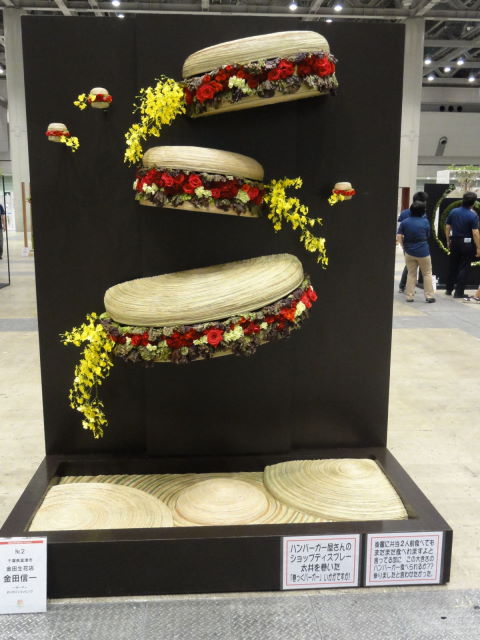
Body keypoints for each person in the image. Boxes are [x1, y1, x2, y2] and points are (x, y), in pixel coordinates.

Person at [396, 201, 435, 303]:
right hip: (423, 251)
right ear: (422, 211)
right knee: (427, 273)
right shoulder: (425, 222)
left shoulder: (405, 222)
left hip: (409, 251)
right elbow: (427, 235)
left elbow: (399, 236)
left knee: (411, 274)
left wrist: (403, 246)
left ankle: (409, 296)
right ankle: (429, 296)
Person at [444, 191, 480, 298]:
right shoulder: (473, 215)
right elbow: (475, 233)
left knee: (453, 265)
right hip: (467, 244)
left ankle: (449, 289)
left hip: (454, 241)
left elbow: (447, 227)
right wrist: (478, 247)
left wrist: (448, 240)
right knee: (464, 267)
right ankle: (459, 292)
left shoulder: (453, 211)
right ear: (473, 203)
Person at [397, 191, 428, 293]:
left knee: (409, 265)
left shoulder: (404, 213)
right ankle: (405, 286)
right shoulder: (423, 214)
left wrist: (402, 245)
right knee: (413, 267)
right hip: (418, 244)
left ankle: (403, 286)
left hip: (406, 243)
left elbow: (399, 230)